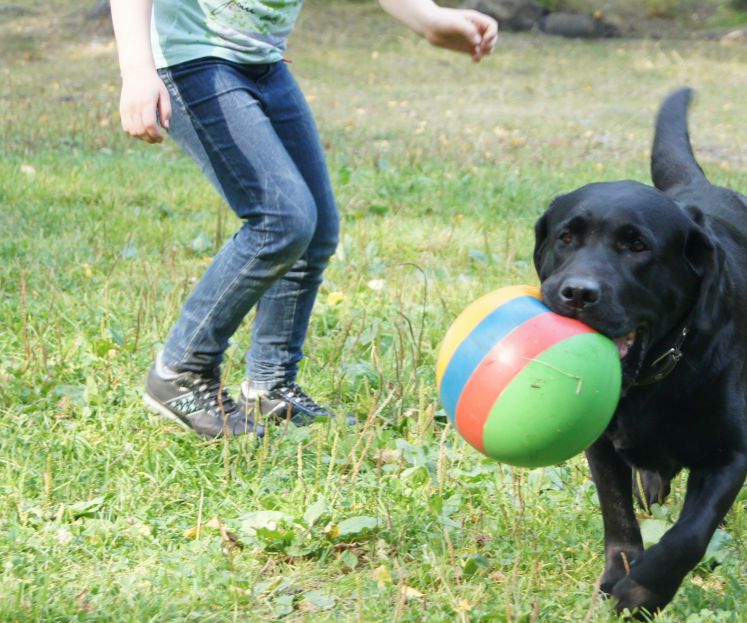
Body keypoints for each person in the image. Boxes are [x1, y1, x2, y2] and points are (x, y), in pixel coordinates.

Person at [111, 0, 498, 438]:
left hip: (263, 64)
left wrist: (433, 20)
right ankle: (181, 371)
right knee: (281, 218)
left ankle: (271, 386)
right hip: (193, 61)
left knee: (314, 233)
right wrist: (137, 71)